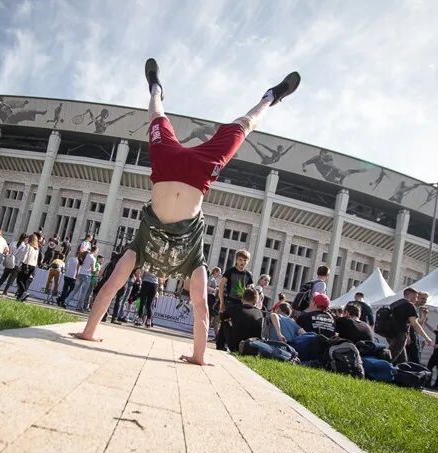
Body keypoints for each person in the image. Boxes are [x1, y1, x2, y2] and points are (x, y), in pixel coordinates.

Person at [71, 58, 300, 364]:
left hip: (172, 168)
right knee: (239, 127)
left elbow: (196, 306)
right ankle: (163, 88)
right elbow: (198, 308)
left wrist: (198, 356)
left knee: (166, 117)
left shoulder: (152, 253)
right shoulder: (184, 260)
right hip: (195, 171)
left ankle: (266, 97)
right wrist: (198, 357)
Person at [216, 250, 255, 349]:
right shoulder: (230, 271)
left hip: (242, 304)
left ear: (247, 262)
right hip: (230, 302)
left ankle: (232, 345)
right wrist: (222, 303)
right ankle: (220, 344)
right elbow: (221, 286)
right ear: (236, 260)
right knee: (225, 322)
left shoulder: (248, 275)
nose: (242, 262)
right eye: (240, 260)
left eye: (245, 260)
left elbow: (251, 290)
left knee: (237, 325)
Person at [386, 288, 432, 364]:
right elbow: (414, 324)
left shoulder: (395, 303)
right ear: (411, 295)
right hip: (400, 336)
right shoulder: (409, 305)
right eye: (416, 297)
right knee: (393, 359)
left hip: (391, 334)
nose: (416, 299)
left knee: (401, 361)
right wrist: (426, 338)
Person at [219, 288, 264, 352]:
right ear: (255, 301)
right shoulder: (260, 313)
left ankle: (220, 346)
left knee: (225, 323)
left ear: (242, 299)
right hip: (253, 347)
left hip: (236, 346)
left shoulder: (235, 308)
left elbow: (222, 318)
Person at [15, 232, 41, 302]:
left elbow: (25, 256)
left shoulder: (28, 246)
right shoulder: (36, 249)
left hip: (26, 264)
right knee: (25, 281)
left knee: (19, 280)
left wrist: (20, 263)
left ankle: (24, 292)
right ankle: (20, 297)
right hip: (32, 266)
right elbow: (36, 259)